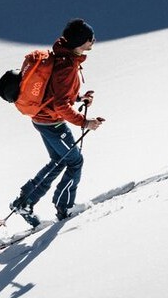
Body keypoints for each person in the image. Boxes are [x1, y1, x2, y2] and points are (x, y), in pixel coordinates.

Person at [9, 18, 106, 224]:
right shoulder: (67, 66)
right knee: (75, 161)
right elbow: (61, 105)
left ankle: (24, 202)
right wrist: (85, 122)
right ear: (80, 43)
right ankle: (64, 207)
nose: (94, 41)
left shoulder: (62, 56)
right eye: (91, 39)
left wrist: (79, 98)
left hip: (42, 118)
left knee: (59, 161)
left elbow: (56, 93)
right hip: (52, 123)